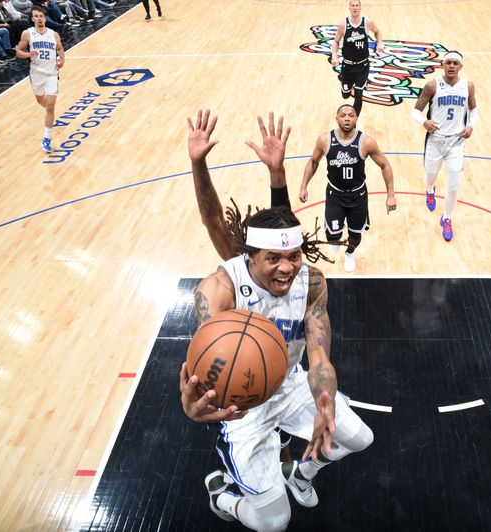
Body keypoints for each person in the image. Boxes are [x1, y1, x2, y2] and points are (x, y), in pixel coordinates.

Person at [181, 110, 374, 531]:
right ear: (249, 258)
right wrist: (193, 403)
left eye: (294, 256)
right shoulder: (221, 287)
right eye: (274, 259)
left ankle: (300, 472)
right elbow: (200, 366)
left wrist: (324, 397)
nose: (287, 268)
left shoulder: (312, 282)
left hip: (288, 386)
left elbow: (319, 354)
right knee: (273, 523)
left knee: (360, 438)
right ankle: (224, 498)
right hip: (243, 408)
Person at [298, 104, 396, 272]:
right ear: (336, 118)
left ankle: (350, 253)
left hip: (357, 196)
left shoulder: (366, 142)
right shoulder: (325, 140)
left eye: (351, 115)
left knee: (355, 235)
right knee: (332, 236)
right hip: (335, 194)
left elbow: (385, 165)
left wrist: (390, 195)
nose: (347, 118)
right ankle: (335, 235)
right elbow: (313, 162)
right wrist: (303, 186)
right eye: (343, 115)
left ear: (356, 118)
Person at [411, 50, 477, 242]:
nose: (451, 66)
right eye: (448, 62)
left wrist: (471, 126)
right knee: (430, 175)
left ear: (460, 67)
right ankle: (430, 190)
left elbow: (474, 109)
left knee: (454, 184)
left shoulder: (468, 86)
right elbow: (415, 111)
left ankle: (447, 218)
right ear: (442, 64)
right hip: (435, 140)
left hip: (456, 142)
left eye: (455, 63)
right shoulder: (432, 85)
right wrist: (424, 122)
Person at [15, 4, 64, 153]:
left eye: (41, 16)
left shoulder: (53, 34)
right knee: (41, 101)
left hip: (52, 73)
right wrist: (28, 54)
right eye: (36, 16)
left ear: (44, 18)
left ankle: (46, 138)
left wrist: (62, 60)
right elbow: (18, 51)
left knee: (51, 106)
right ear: (32, 19)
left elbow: (60, 49)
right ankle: (48, 112)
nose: (39, 18)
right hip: (36, 73)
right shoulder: (27, 34)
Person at [330, 0, 383, 116]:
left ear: (360, 7)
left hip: (362, 66)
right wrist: (334, 55)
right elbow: (336, 41)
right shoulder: (343, 25)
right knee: (345, 95)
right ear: (349, 8)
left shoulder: (367, 22)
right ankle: (344, 86)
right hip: (347, 66)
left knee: (359, 93)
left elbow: (377, 32)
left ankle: (354, 121)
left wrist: (379, 42)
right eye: (352, 6)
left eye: (357, 5)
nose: (355, 8)